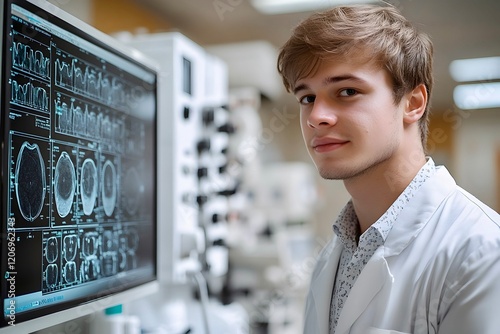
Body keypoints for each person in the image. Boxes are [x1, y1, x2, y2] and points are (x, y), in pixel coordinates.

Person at [277, 4, 500, 334]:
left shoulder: (482, 250)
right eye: (307, 97)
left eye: (347, 91)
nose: (316, 117)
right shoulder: (331, 257)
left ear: (413, 103)